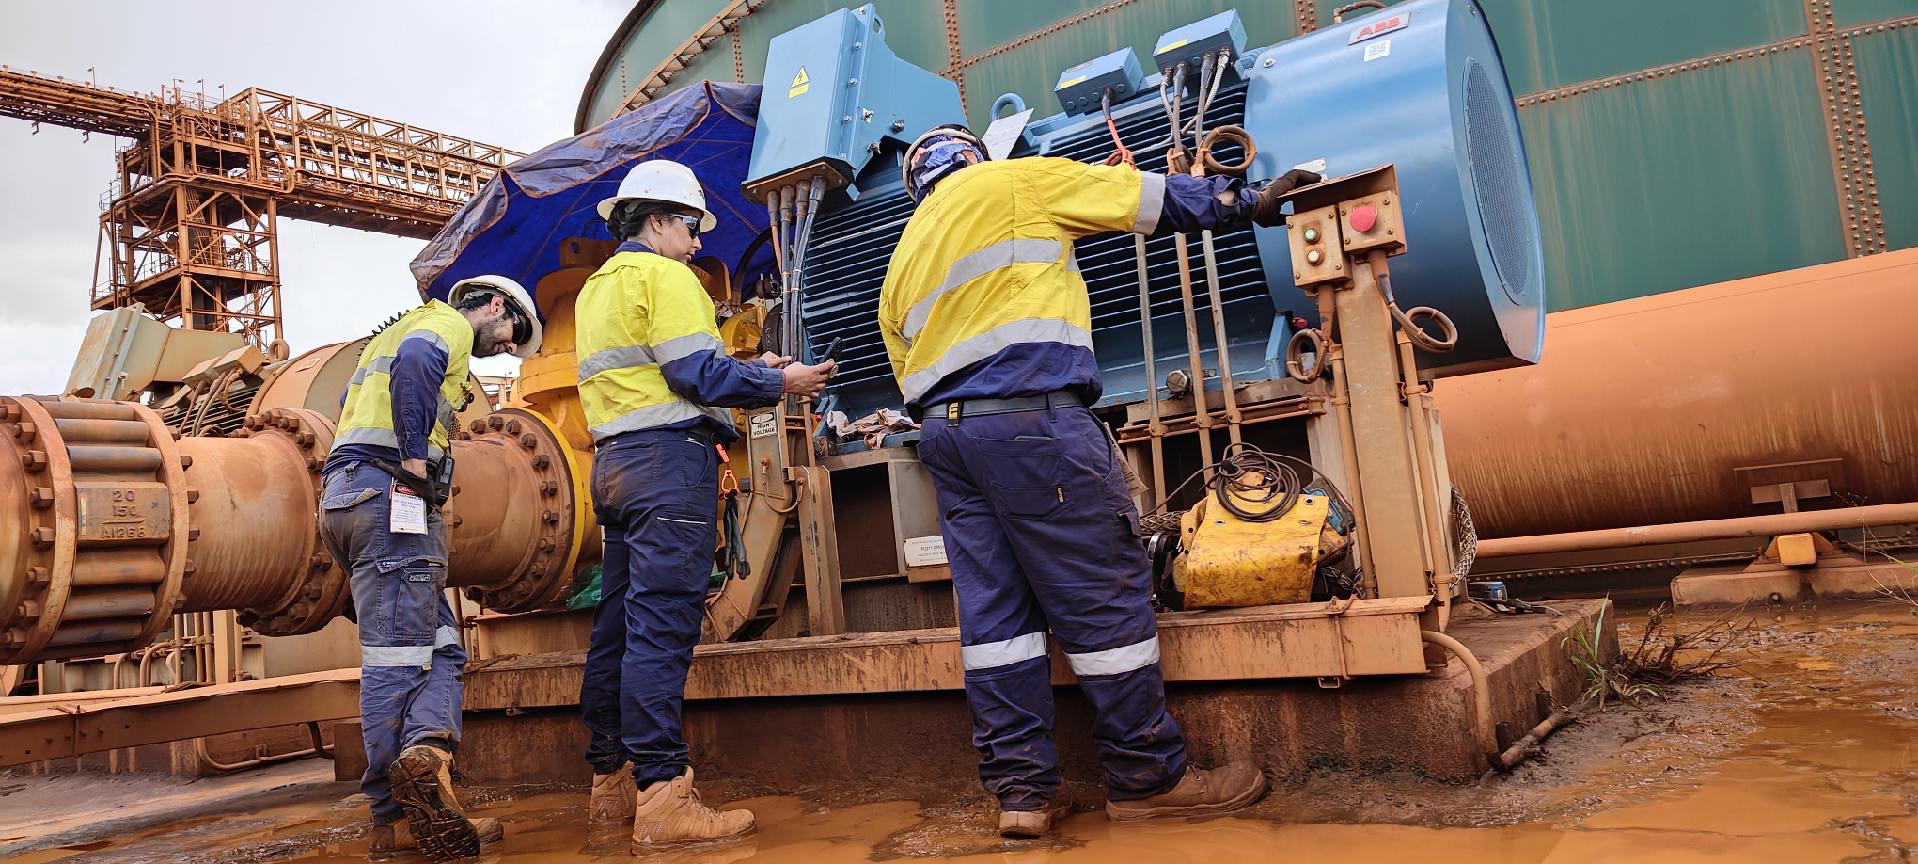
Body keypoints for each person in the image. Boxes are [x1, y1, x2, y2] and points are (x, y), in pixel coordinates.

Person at [878, 124, 1319, 838]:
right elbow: (1134, 197)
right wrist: (1245, 201)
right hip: (1034, 422)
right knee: (1100, 592)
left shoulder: (902, 259)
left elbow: (908, 378)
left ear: (916, 185)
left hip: (949, 442)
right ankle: (1147, 779)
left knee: (996, 622)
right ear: (972, 157)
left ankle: (1022, 794)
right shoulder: (1011, 182)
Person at [573, 160, 835, 849]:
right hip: (666, 468)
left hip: (615, 468)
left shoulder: (598, 288)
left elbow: (665, 372)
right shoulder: (667, 277)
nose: (697, 242)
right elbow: (695, 372)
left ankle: (612, 782)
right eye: (690, 227)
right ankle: (664, 799)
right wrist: (784, 383)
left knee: (619, 629)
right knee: (661, 631)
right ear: (658, 220)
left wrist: (753, 372)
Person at [317, 275, 542, 861]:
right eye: (511, 332)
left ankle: (429, 764)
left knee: (440, 645)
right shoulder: (444, 328)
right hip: (392, 498)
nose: (508, 349)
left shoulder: (391, 334)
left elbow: (347, 405)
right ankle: (392, 819)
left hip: (345, 497)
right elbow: (418, 363)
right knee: (396, 655)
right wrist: (415, 457)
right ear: (494, 306)